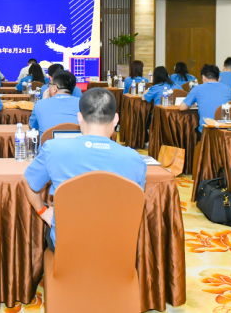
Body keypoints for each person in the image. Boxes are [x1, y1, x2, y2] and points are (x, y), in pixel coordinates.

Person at [21, 88, 146, 251]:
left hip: (67, 245)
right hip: (116, 246)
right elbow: (135, 202)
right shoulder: (135, 159)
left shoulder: (53, 149)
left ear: (79, 117)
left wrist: (43, 211)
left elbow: (28, 182)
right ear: (116, 119)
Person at [180, 64, 231, 136]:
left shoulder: (197, 89)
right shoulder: (229, 90)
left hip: (205, 132)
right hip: (223, 132)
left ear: (203, 77)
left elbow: (182, 107)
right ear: (219, 78)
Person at [29, 71, 80, 135]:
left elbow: (32, 126)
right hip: (76, 141)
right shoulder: (82, 103)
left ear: (54, 88)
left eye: (50, 84)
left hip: (47, 141)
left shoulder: (39, 105)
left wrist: (43, 101)